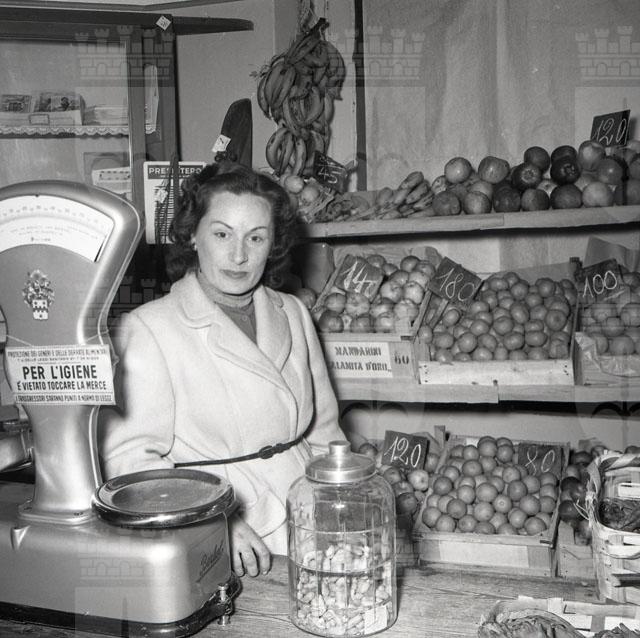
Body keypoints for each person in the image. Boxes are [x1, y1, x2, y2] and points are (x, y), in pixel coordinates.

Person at [99, 161, 345, 577]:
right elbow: (129, 460)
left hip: (309, 515)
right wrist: (209, 523)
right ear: (192, 236)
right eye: (222, 234)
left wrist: (338, 500)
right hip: (229, 538)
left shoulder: (294, 312)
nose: (239, 255)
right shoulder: (148, 327)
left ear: (273, 244)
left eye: (256, 237)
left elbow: (325, 433)